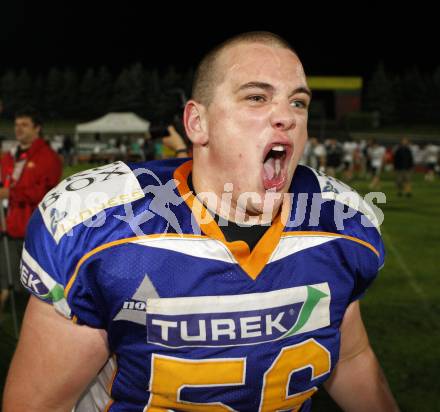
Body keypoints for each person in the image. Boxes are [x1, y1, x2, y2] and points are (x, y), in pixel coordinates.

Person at [3, 32, 399, 412]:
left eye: (298, 102)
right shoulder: (107, 229)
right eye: (257, 97)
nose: (286, 116)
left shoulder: (339, 225)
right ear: (197, 123)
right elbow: (38, 404)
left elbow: (349, 356)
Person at [0, 107, 62, 314]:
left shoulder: (48, 157)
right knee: (5, 275)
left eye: (25, 125)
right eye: (17, 125)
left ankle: (41, 319)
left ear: (37, 128)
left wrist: (10, 193)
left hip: (33, 228)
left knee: (37, 281)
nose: (19, 129)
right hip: (8, 225)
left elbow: (44, 192)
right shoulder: (9, 156)